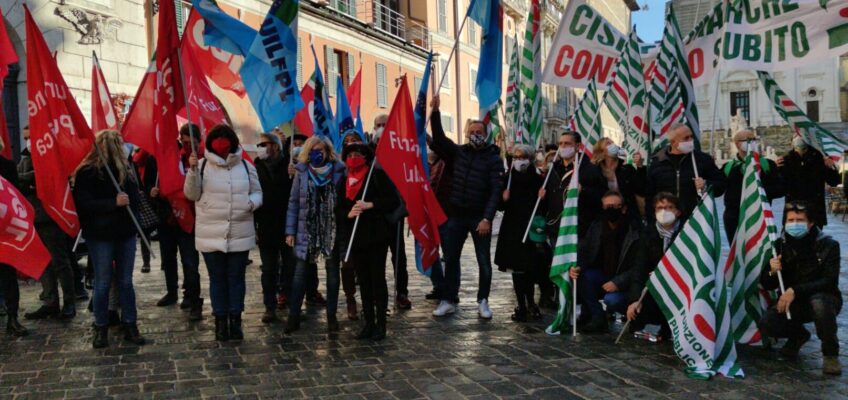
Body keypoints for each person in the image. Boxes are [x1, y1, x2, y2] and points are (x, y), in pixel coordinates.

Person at [184, 124, 263, 341]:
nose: (221, 143)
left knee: (236, 278)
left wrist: (250, 203)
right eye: (216, 138)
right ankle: (220, 320)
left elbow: (257, 192)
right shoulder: (200, 166)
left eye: (224, 138)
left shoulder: (246, 167)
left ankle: (236, 319)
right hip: (211, 233)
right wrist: (191, 172)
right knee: (217, 278)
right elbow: (191, 194)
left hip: (239, 231)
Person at [429, 95, 504, 318]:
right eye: (472, 132)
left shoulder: (493, 158)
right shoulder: (459, 153)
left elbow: (495, 191)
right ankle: (448, 299)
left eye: (479, 133)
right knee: (450, 258)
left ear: (486, 134)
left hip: (479, 217)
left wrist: (487, 218)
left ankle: (483, 300)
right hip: (456, 216)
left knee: (483, 261)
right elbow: (440, 140)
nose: (475, 136)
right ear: (466, 134)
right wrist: (435, 113)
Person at [72, 130, 145, 348]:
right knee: (103, 282)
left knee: (125, 281)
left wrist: (130, 203)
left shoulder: (126, 169)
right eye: (115, 143)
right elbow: (83, 203)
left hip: (124, 232)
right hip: (100, 234)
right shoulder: (87, 171)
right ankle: (100, 326)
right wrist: (112, 203)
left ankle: (130, 323)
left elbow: (135, 198)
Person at [759, 201, 842, 375]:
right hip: (792, 303)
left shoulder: (828, 245)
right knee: (768, 322)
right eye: (790, 220)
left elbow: (829, 281)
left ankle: (830, 355)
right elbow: (767, 284)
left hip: (822, 299)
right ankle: (798, 336)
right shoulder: (780, 246)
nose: (794, 224)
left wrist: (795, 290)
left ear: (810, 223)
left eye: (799, 220)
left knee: (820, 304)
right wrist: (772, 271)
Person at [284, 136, 346, 333]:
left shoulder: (338, 172)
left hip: (331, 229)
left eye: (320, 150)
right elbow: (293, 203)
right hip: (306, 229)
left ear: (328, 151)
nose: (316, 153)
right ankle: (293, 316)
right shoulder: (302, 173)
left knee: (333, 273)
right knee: (300, 274)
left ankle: (331, 316)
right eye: (313, 150)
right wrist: (290, 231)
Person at [337, 143, 398, 340]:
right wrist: (348, 213)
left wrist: (371, 204)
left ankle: (381, 324)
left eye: (358, 154)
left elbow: (392, 200)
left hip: (376, 236)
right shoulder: (343, 181)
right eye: (350, 154)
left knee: (377, 279)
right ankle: (368, 323)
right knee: (363, 280)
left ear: (366, 157)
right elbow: (337, 208)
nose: (354, 157)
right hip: (356, 238)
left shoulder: (376, 176)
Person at [17, 126, 78, 320]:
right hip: (33, 218)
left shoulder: (52, 158)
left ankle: (69, 302)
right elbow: (19, 183)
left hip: (51, 217)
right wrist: (28, 183)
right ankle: (50, 301)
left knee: (60, 262)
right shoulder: (25, 159)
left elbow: (41, 178)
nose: (27, 142)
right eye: (25, 138)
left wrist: (29, 181)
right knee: (43, 263)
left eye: (30, 137)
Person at [572, 190, 643, 332]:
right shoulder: (597, 226)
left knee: (613, 300)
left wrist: (618, 282)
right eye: (607, 207)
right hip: (603, 273)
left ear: (623, 208)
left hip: (625, 280)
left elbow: (639, 266)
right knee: (582, 277)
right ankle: (597, 317)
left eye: (615, 206)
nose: (611, 210)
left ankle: (635, 318)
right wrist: (577, 266)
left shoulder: (635, 231)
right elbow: (584, 249)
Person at [152, 124, 203, 320]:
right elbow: (154, 179)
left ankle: (192, 295)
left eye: (191, 142)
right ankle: (171, 290)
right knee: (168, 258)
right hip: (167, 217)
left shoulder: (202, 158)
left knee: (189, 261)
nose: (187, 145)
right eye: (184, 141)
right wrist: (153, 191)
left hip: (190, 217)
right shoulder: (171, 157)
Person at [495, 144, 547, 321]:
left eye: (522, 157)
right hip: (513, 229)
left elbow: (544, 207)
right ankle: (521, 305)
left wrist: (542, 198)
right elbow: (499, 205)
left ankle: (532, 302)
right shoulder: (508, 178)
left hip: (531, 228)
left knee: (530, 268)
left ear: (530, 159)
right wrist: (503, 199)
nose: (519, 160)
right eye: (515, 157)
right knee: (517, 269)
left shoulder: (539, 179)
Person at [366, 121, 412, 310]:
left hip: (395, 215)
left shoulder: (401, 158)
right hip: (375, 216)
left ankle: (401, 292)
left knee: (398, 257)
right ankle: (378, 294)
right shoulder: (369, 159)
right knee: (377, 258)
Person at [626, 192, 683, 342]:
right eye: (660, 208)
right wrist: (635, 299)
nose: (665, 211)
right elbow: (639, 268)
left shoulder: (686, 233)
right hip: (653, 288)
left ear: (678, 211)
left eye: (669, 207)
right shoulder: (648, 233)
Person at [645, 123, 725, 219]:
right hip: (666, 221)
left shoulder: (703, 159)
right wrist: (651, 223)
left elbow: (721, 185)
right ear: (673, 142)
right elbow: (649, 196)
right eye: (686, 138)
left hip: (696, 221)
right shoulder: (657, 162)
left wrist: (706, 184)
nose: (691, 140)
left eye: (691, 137)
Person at [254, 131, 293, 323]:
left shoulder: (289, 166)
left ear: (276, 146)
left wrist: (294, 176)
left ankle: (291, 301)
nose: (261, 148)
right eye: (259, 145)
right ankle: (269, 307)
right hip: (266, 226)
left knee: (289, 268)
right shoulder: (255, 167)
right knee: (268, 269)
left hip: (287, 225)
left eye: (264, 144)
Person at [721, 130, 784, 239]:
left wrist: (759, 191)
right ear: (737, 144)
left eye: (753, 139)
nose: (752, 142)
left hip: (760, 216)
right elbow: (718, 189)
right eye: (748, 140)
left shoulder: (767, 165)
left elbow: (780, 189)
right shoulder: (728, 167)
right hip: (734, 218)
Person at [544, 131, 606, 239]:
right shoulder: (553, 169)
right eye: (561, 143)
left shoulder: (590, 169)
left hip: (579, 230)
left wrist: (584, 191)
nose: (563, 146)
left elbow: (602, 194)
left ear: (577, 146)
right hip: (556, 229)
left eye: (567, 143)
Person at [776, 136, 840, 228]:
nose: (798, 138)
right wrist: (775, 170)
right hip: (793, 211)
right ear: (792, 143)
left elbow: (834, 181)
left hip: (815, 209)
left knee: (815, 239)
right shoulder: (785, 160)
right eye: (795, 136)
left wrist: (831, 167)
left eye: (800, 135)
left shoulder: (819, 158)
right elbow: (780, 188)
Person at [0, 142, 28, 337]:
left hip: (4, 228)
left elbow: (16, 195)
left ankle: (12, 317)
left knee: (7, 275)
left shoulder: (7, 166)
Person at [280, 133, 308, 310]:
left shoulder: (310, 167)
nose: (297, 147)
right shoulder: (283, 165)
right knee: (289, 263)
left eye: (300, 144)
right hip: (286, 222)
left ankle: (310, 293)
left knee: (305, 267)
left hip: (306, 227)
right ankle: (286, 295)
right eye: (294, 144)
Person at [591, 138, 645, 220]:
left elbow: (642, 188)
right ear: (602, 151)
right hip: (603, 215)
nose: (613, 145)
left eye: (613, 143)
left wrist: (640, 167)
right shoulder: (595, 171)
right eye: (608, 143)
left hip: (627, 214)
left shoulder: (627, 169)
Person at [130, 147, 158, 274]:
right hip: (141, 194)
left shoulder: (133, 159)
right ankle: (147, 262)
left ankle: (146, 262)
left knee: (144, 230)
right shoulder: (136, 157)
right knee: (144, 231)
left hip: (140, 195)